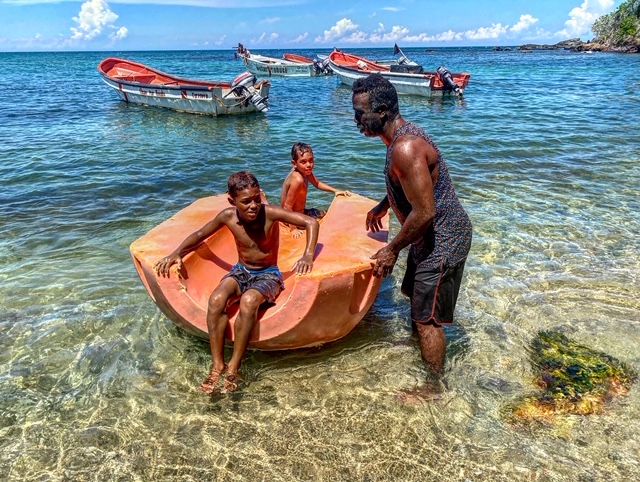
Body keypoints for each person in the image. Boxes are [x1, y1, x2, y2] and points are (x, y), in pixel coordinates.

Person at [351, 74, 472, 398]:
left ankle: (433, 386)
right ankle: (422, 345)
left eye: (361, 113)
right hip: (428, 237)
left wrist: (392, 249)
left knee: (426, 317)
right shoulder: (397, 141)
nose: (356, 120)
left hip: (443, 237)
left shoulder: (405, 147)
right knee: (415, 298)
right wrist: (383, 205)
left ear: (384, 110)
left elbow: (424, 212)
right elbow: (410, 189)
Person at [153, 171, 319, 394]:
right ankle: (217, 363)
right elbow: (201, 233)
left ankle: (234, 366)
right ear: (232, 201)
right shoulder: (228, 216)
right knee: (216, 299)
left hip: (268, 274)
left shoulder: (269, 214)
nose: (253, 206)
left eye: (256, 199)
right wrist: (177, 252)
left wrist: (308, 254)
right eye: (246, 202)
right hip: (241, 271)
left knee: (249, 300)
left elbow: (310, 222)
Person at [280, 142, 351, 238]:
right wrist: (293, 228)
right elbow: (287, 207)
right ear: (294, 163)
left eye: (311, 160)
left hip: (301, 213)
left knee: (328, 214)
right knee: (326, 226)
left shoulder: (305, 171)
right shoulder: (297, 180)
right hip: (292, 219)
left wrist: (335, 191)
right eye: (303, 162)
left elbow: (317, 183)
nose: (308, 165)